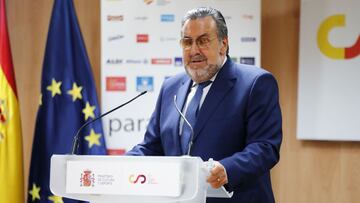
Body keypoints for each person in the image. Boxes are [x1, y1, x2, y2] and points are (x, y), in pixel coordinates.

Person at [127, 7, 282, 203]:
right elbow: (151, 147)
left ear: (223, 44)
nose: (194, 51)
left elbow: (265, 147)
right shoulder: (170, 87)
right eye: (187, 42)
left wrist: (227, 169)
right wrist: (121, 165)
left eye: (203, 41)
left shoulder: (255, 83)